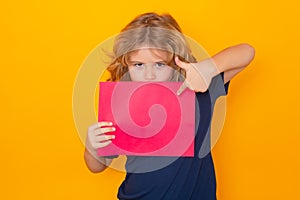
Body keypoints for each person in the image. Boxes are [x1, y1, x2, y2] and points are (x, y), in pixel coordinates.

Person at [84, 12, 255, 200]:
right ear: (127, 66)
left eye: (159, 65)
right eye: (139, 65)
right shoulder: (124, 102)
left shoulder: (198, 89)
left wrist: (208, 68)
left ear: (175, 62)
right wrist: (92, 148)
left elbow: (247, 52)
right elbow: (97, 166)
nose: (149, 75)